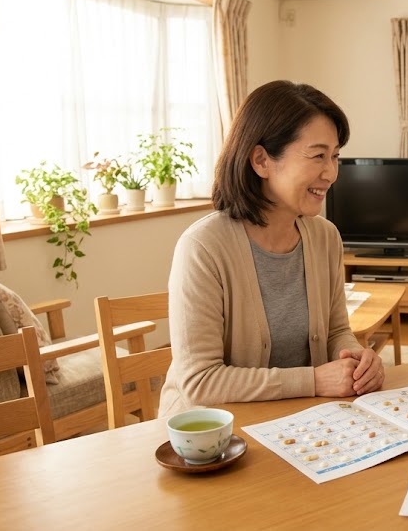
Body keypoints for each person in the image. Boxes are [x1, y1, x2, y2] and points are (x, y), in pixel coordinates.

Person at [159, 80, 385, 416]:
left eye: (335, 157)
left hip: (299, 425)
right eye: (318, 155)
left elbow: (337, 330)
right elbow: (200, 383)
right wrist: (313, 381)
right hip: (214, 438)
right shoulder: (203, 247)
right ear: (262, 160)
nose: (332, 173)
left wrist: (358, 360)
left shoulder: (325, 237)